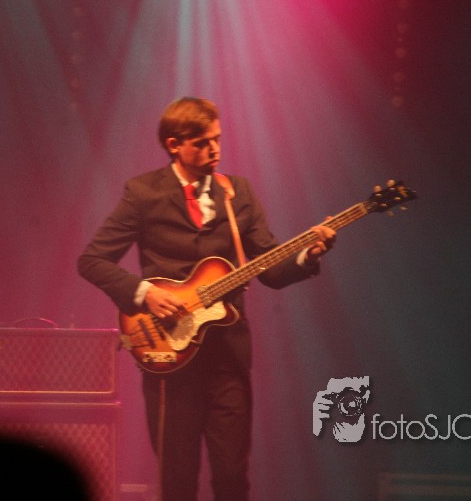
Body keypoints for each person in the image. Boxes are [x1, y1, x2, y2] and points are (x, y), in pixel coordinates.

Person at [77, 97, 335, 501]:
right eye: (202, 143)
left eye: (217, 139)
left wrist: (307, 256)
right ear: (174, 145)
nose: (214, 149)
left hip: (227, 359)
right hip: (169, 358)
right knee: (177, 482)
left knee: (232, 477)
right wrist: (146, 293)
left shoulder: (238, 193)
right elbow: (92, 260)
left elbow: (269, 269)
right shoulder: (143, 193)